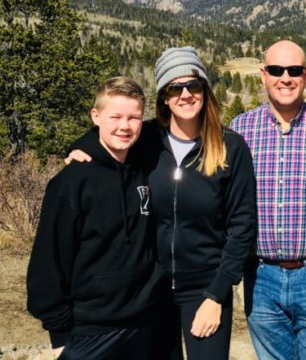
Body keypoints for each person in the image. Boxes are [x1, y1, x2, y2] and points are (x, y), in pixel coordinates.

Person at [68, 47, 256, 360]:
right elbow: (107, 133)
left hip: (205, 288)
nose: (186, 95)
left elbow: (242, 226)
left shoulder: (230, 148)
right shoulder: (146, 140)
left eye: (193, 86)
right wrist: (80, 148)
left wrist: (216, 295)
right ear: (164, 98)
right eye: (174, 88)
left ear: (205, 91)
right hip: (149, 289)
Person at [27, 77, 163, 360]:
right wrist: (60, 335)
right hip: (89, 331)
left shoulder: (142, 167)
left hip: (143, 324)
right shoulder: (71, 184)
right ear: (95, 116)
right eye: (115, 117)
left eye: (134, 118)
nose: (125, 126)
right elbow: (48, 263)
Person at [230, 40, 306, 360]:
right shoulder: (239, 131)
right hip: (261, 279)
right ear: (263, 75)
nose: (286, 78)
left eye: (294, 70)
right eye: (276, 70)